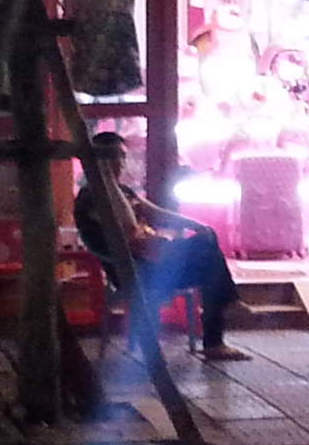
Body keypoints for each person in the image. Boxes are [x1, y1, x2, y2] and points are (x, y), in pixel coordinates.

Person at [74, 130, 248, 362]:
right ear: (98, 161)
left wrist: (196, 225)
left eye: (123, 156)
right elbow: (128, 225)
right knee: (211, 268)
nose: (121, 163)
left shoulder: (124, 190)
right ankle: (218, 332)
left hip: (155, 259)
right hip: (133, 271)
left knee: (208, 243)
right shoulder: (89, 198)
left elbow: (156, 212)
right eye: (113, 156)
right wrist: (105, 180)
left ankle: (221, 321)